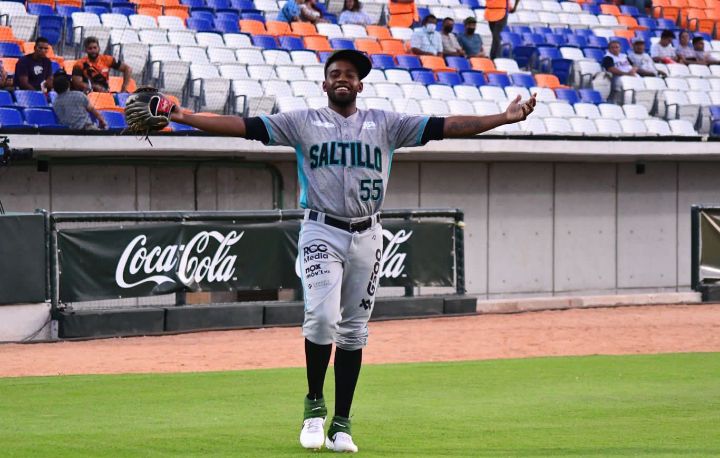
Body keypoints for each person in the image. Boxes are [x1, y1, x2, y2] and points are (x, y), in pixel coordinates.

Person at [126, 49, 536, 454]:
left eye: (351, 74)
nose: (343, 78)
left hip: (369, 235)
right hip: (321, 230)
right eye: (336, 73)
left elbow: (445, 126)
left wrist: (502, 118)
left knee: (354, 331)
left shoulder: (387, 124)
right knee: (322, 319)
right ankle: (313, 408)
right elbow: (244, 126)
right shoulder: (302, 123)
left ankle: (341, 424)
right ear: (324, 84)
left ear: (360, 85)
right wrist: (182, 116)